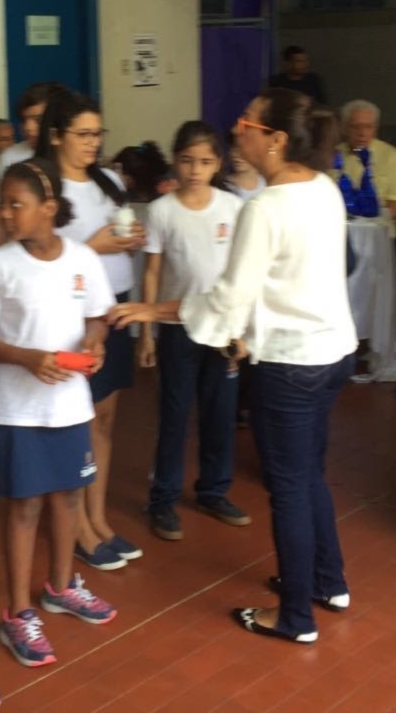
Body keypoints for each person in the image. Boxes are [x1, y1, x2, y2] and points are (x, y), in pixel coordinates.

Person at [112, 89, 358, 645]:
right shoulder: (323, 188)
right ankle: (328, 581)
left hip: (290, 364)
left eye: (247, 123)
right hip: (332, 353)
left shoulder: (264, 208)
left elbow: (228, 300)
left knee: (289, 487)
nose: (237, 129)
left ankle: (294, 616)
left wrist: (152, 310)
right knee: (308, 474)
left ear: (275, 139)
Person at [0, 158, 117, 668]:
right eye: (4, 204)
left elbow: (97, 316)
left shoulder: (82, 259)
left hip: (69, 404)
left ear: (48, 208)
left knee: (69, 496)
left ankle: (61, 586)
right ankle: (18, 612)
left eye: (17, 204)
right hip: (18, 410)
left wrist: (94, 341)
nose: (6, 214)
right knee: (25, 506)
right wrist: (26, 358)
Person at [37, 90, 144, 570]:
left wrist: (131, 242)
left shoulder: (108, 181)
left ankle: (98, 519)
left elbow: (117, 239)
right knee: (77, 421)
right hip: (71, 311)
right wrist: (94, 246)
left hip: (113, 305)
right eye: (82, 134)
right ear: (56, 135)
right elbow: (40, 253)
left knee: (104, 417)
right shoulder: (45, 186)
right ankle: (77, 526)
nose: (92, 143)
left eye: (98, 134)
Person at [139, 121, 249, 542]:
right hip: (176, 326)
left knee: (220, 413)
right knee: (175, 413)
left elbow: (242, 273)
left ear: (218, 163)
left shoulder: (233, 208)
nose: (195, 170)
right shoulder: (162, 210)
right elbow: (152, 271)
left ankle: (213, 491)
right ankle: (163, 498)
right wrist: (146, 332)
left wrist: (241, 330)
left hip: (222, 329)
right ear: (174, 161)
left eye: (204, 162)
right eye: (186, 161)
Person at [0, 82, 66, 249]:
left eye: (38, 120)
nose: (28, 127)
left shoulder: (70, 153)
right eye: (24, 120)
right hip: (20, 255)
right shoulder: (9, 158)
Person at [334, 100, 396, 235]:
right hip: (340, 232)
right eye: (356, 127)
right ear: (344, 128)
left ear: (376, 129)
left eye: (368, 127)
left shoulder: (391, 156)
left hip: (378, 233)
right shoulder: (332, 154)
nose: (362, 133)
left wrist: (366, 224)